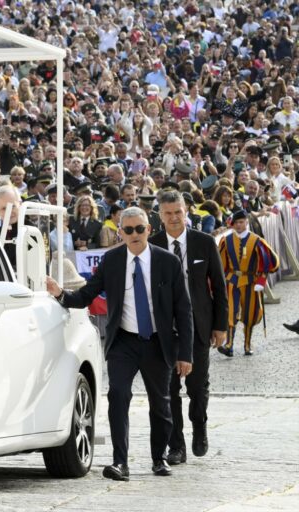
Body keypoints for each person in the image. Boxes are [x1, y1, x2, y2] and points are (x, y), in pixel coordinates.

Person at [46, 207, 193, 481]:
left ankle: (159, 458)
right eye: (128, 230)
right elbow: (87, 295)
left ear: (149, 230)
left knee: (161, 403)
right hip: (123, 342)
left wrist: (186, 353)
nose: (135, 234)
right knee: (118, 396)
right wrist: (60, 294)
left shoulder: (167, 261)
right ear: (120, 234)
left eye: (140, 229)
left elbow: (183, 310)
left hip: (158, 342)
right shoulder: (112, 261)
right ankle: (120, 462)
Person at [149, 191, 228, 465]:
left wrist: (220, 326)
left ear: (186, 212)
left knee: (197, 386)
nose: (173, 218)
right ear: (160, 216)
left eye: (178, 212)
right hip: (164, 329)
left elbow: (219, 286)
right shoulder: (152, 245)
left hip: (198, 326)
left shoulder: (204, 243)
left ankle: (200, 426)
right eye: (168, 213)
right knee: (169, 389)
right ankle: (176, 445)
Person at [217, 209, 280, 356]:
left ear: (246, 222)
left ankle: (247, 344)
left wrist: (261, 280)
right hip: (232, 280)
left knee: (250, 313)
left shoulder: (257, 241)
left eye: (241, 222)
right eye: (236, 223)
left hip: (250, 281)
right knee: (230, 312)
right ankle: (229, 345)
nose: (238, 225)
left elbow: (269, 262)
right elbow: (220, 263)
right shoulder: (226, 240)